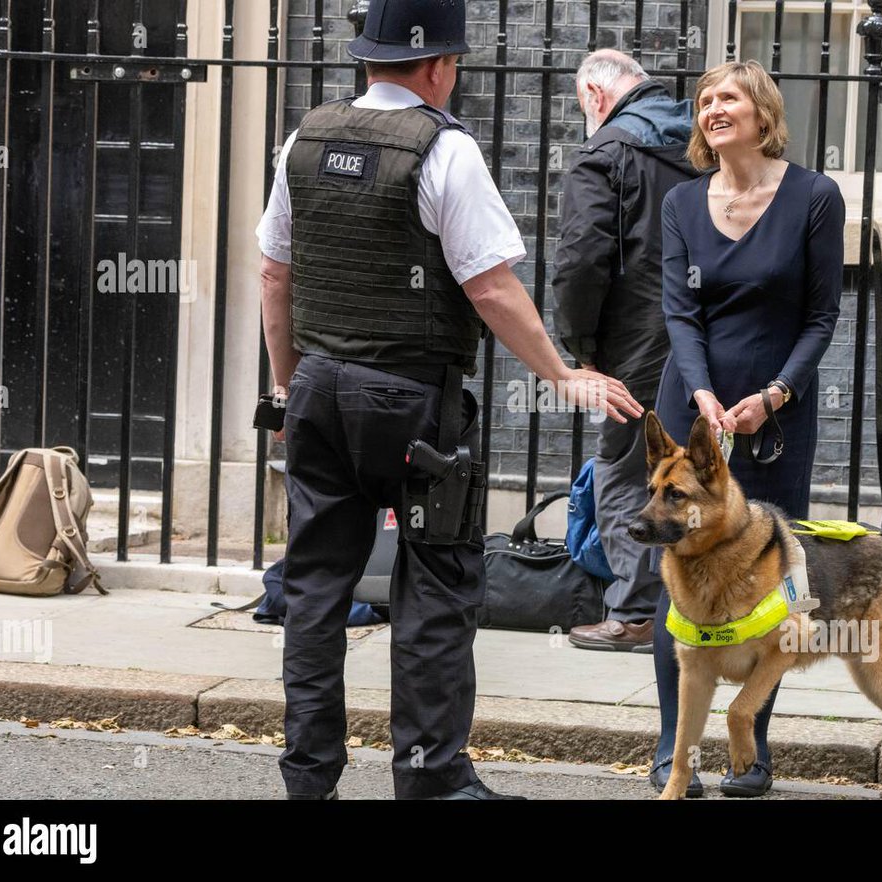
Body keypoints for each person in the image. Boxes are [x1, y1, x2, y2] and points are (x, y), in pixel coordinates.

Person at [256, 0, 641, 801]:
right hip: (410, 402)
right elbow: (493, 287)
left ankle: (307, 781)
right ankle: (431, 782)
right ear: (438, 66)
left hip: (320, 388)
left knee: (316, 587)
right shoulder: (445, 150)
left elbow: (274, 274)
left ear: (370, 59)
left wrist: (289, 383)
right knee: (432, 591)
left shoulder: (304, 139)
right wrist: (562, 375)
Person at [650, 59, 845, 797]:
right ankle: (677, 752)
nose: (712, 108)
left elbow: (823, 315)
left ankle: (749, 751)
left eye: (727, 97)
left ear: (763, 112)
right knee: (681, 579)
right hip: (691, 413)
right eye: (704, 100)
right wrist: (700, 393)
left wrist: (775, 394)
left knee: (767, 584)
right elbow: (680, 312)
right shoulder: (681, 203)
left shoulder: (814, 197)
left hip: (773, 417)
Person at [553, 50, 699, 653]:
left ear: (594, 92)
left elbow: (581, 259)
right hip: (707, 333)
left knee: (623, 468)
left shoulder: (605, 154)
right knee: (701, 467)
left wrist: (579, 346)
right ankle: (691, 605)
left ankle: (636, 611)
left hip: (632, 338)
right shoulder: (703, 147)